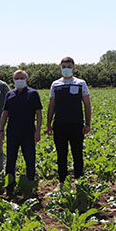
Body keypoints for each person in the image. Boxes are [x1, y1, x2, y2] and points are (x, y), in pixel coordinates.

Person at [46, 57, 92, 191]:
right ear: (60, 67)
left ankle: (79, 182)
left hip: (77, 124)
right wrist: (48, 124)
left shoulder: (81, 83)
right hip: (59, 124)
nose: (66, 68)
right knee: (61, 154)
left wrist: (88, 123)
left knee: (77, 153)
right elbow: (51, 105)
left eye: (69, 66)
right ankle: (62, 183)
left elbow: (87, 104)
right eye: (64, 66)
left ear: (74, 67)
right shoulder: (55, 84)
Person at [0, 70, 42, 196]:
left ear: (27, 79)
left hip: (28, 132)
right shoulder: (10, 94)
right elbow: (5, 113)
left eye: (22, 78)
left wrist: (38, 131)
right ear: (13, 80)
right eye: (17, 78)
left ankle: (30, 186)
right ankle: (10, 187)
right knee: (11, 160)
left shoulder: (33, 94)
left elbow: (38, 113)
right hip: (12, 132)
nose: (19, 80)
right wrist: (1, 130)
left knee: (30, 159)